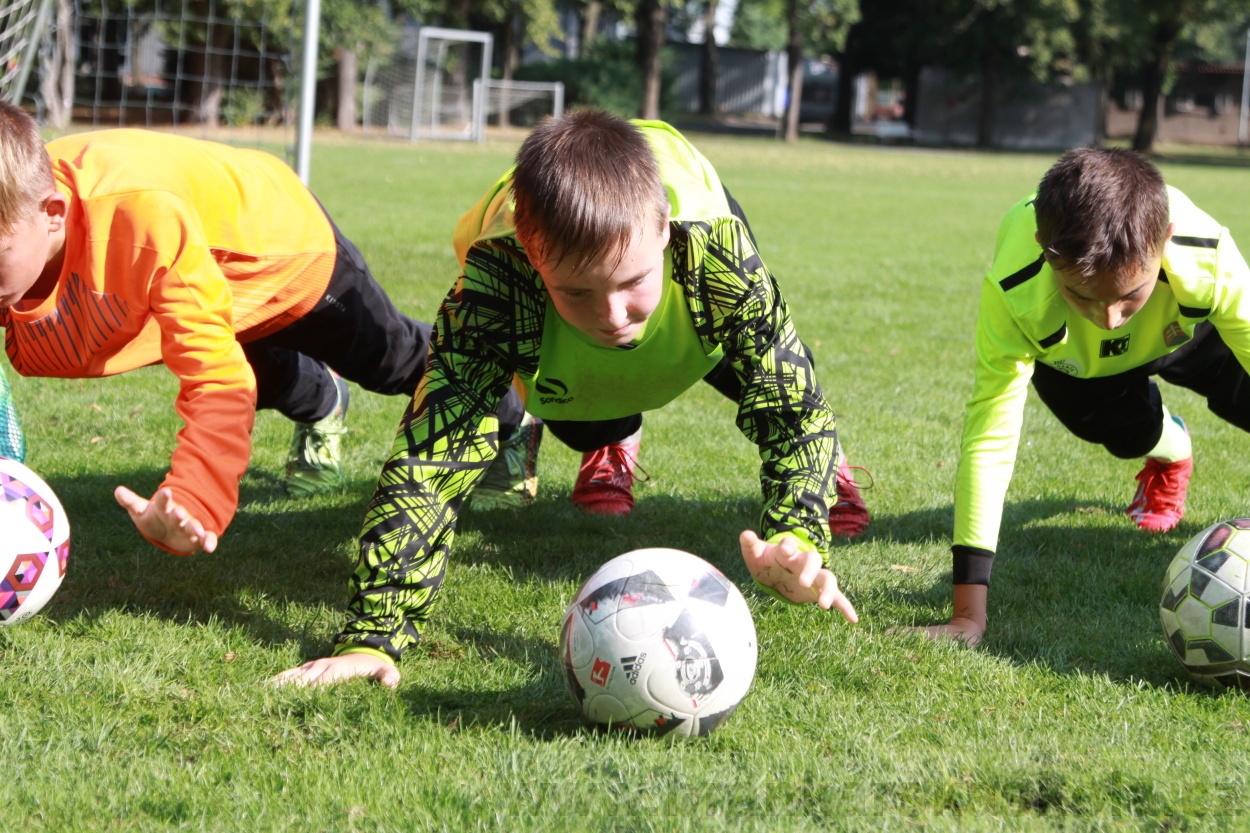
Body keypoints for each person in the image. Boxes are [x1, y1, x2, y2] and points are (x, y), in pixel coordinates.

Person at [275, 110, 869, 688]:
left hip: (690, 265)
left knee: (767, 369)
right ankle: (606, 433)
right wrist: (371, 636)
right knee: (591, 424)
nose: (612, 317)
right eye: (579, 292)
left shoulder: (715, 254)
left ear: (662, 231)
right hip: (551, 346)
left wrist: (797, 531)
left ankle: (815, 472)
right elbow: (433, 459)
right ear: (534, 260)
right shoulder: (496, 284)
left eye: (633, 282)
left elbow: (793, 408)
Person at [0, 101, 527, 554]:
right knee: (266, 373)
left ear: (53, 213)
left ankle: (512, 414)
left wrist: (194, 497)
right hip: (206, 280)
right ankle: (323, 400)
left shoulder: (139, 221)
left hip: (286, 251)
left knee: (391, 360)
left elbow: (216, 379)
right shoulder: (22, 206)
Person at [924, 147, 1250, 646]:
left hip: (1185, 328)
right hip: (1076, 364)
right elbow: (990, 440)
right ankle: (1171, 446)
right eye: (1083, 295)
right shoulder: (1015, 289)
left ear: (1162, 240)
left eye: (1129, 295)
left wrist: (1123, 299)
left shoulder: (1206, 253)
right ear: (1044, 248)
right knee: (1124, 433)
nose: (1110, 318)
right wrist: (967, 616)